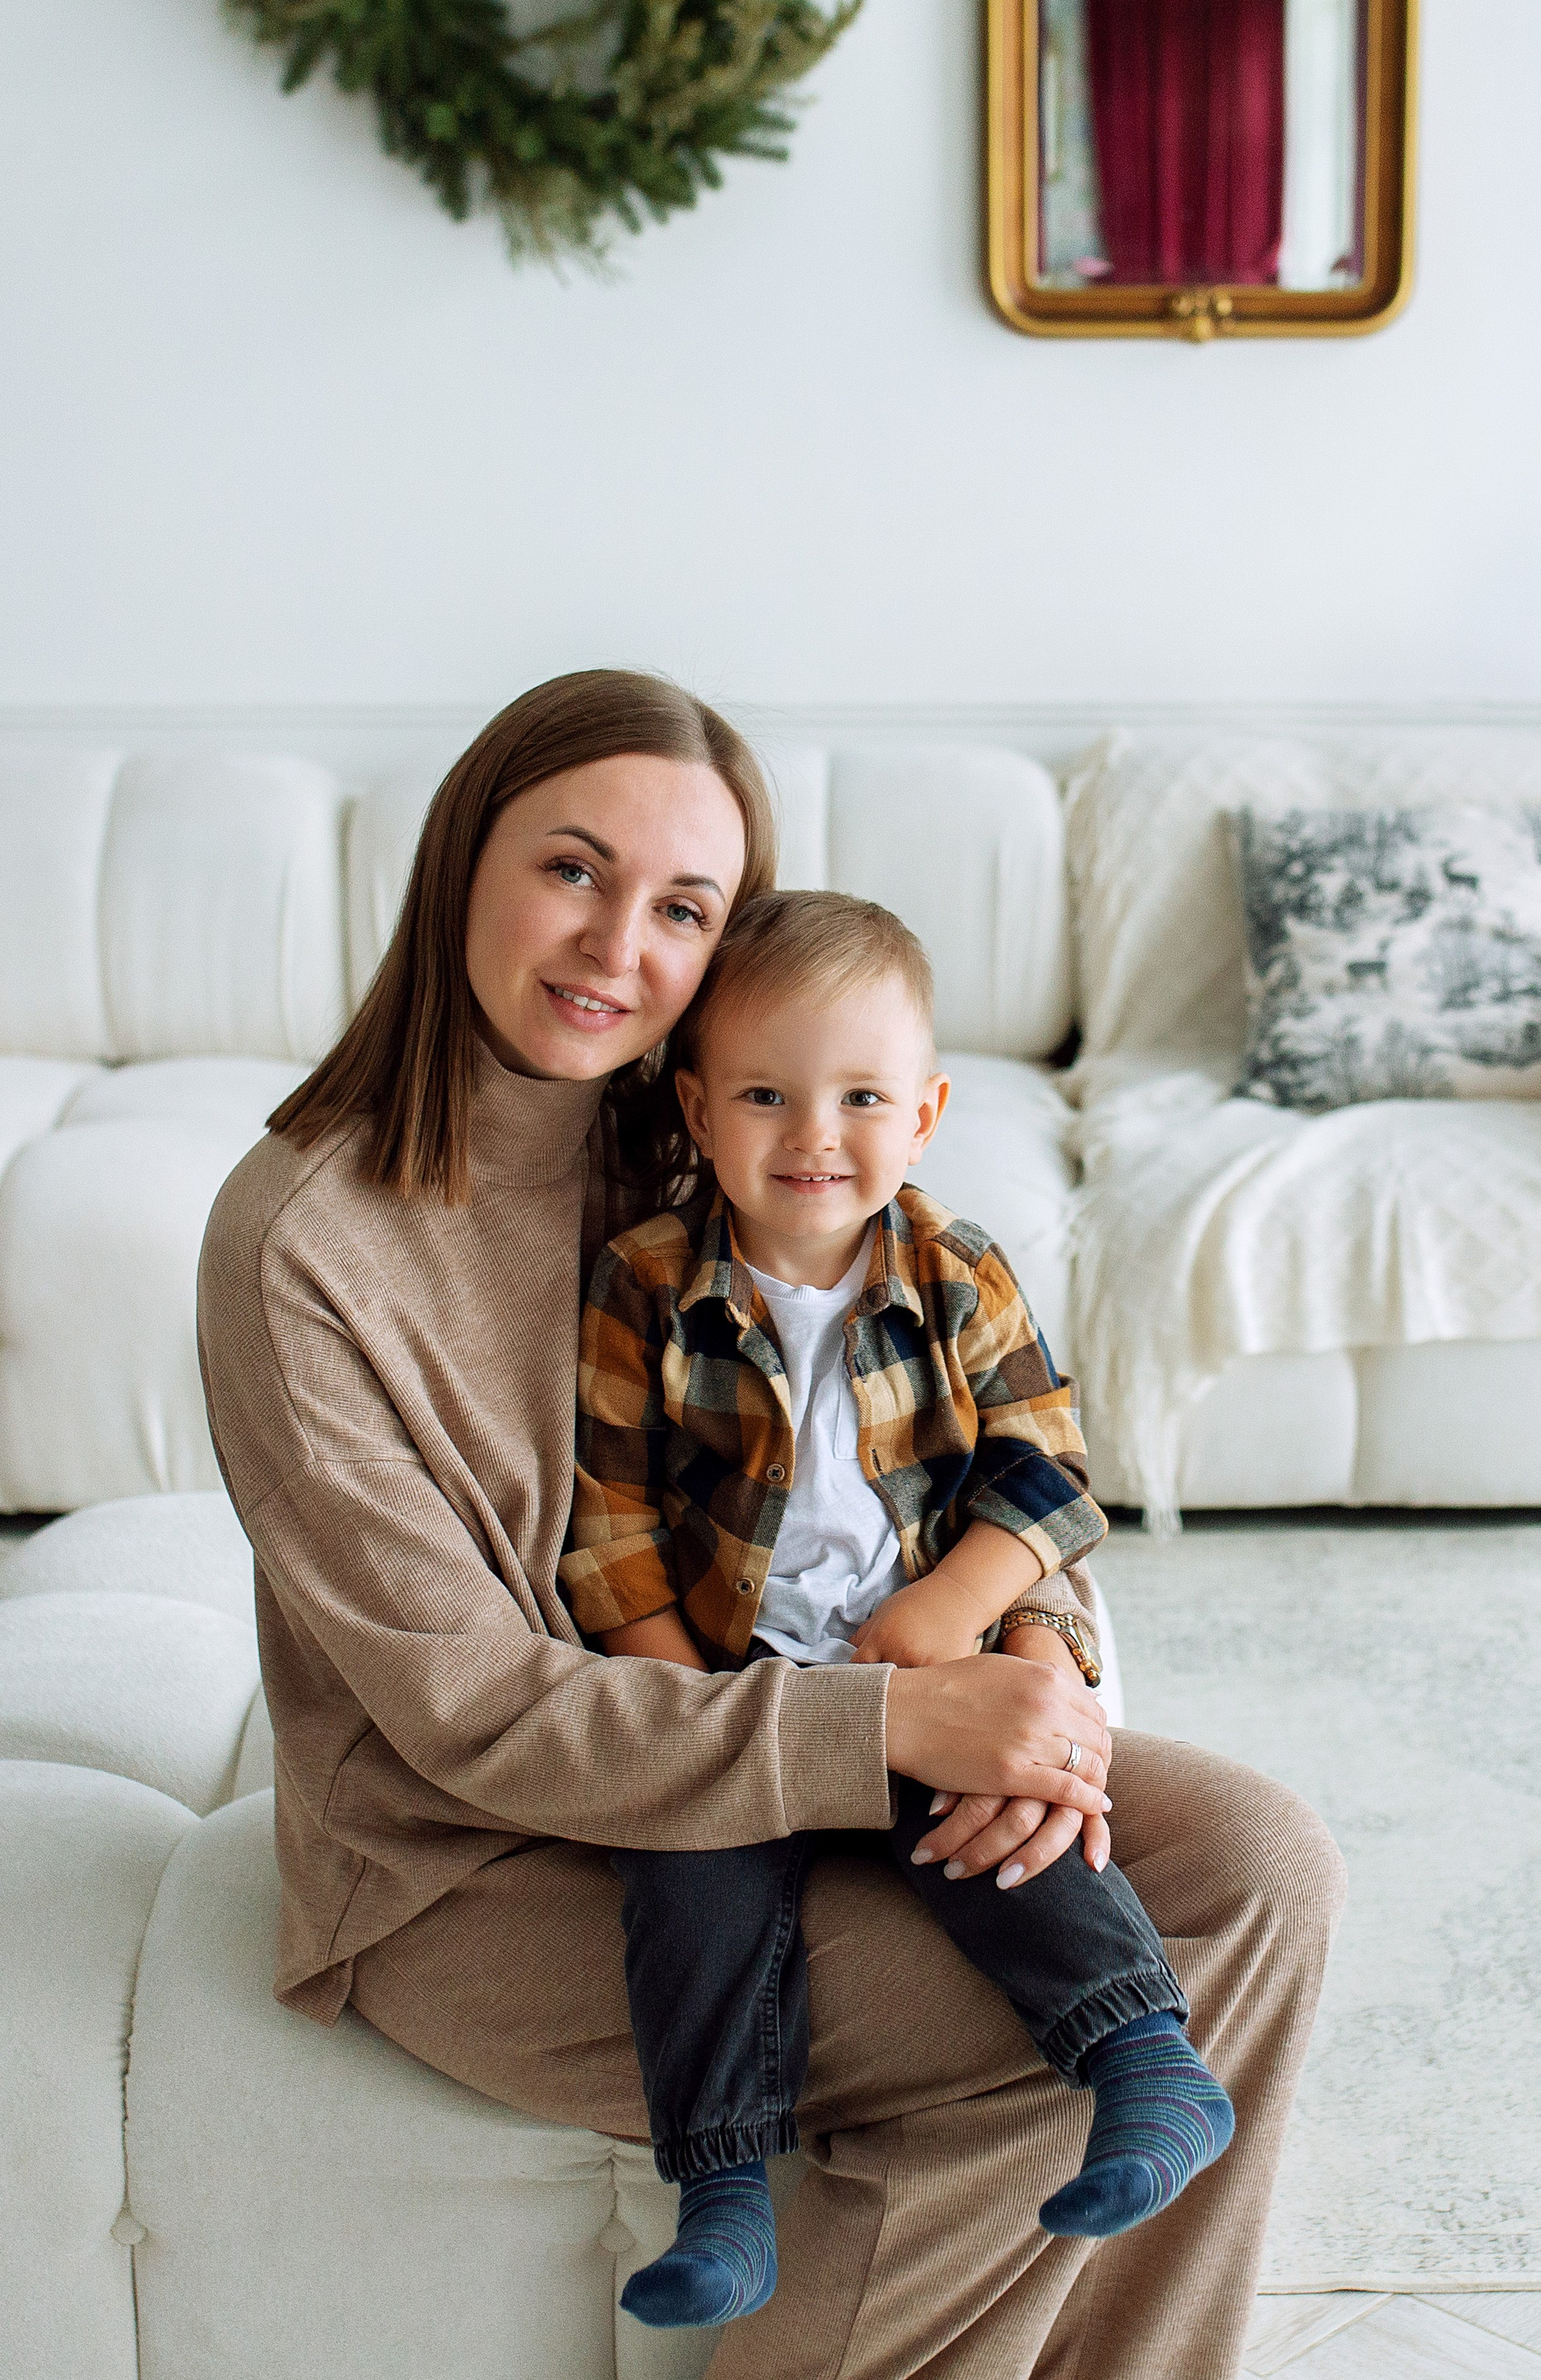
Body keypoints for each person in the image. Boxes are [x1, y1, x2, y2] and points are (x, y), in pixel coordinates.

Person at [196, 667, 1346, 2380]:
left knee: (1263, 1865)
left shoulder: (711, 1142)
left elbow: (973, 1438)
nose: (613, 949)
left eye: (681, 908)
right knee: (1072, 2024)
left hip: (787, 1762)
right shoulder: (301, 1244)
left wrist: (1025, 1668)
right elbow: (474, 1716)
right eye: (570, 871)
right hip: (484, 1863)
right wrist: (887, 1720)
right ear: (459, 864)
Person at [564, 889, 1237, 2330]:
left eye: (861, 1097)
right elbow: (611, 1525)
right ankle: (728, 2196)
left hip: (918, 1671)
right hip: (736, 1695)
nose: (815, 1136)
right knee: (688, 1893)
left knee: (1011, 1839)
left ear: (924, 1112)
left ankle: (1143, 2066)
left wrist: (957, 1604)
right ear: (693, 1107)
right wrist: (687, 1705)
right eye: (764, 1095)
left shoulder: (954, 1274)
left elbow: (1047, 1468)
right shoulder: (646, 1285)